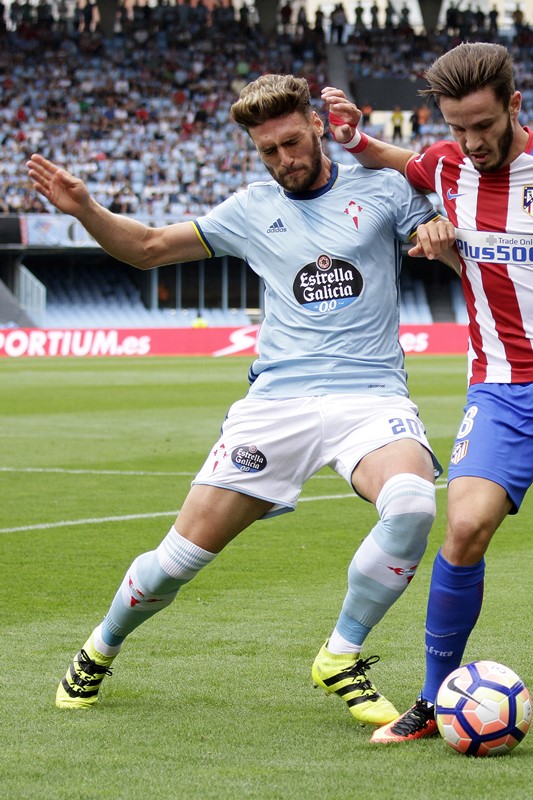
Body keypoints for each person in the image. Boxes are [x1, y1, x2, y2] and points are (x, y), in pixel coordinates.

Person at [27, 74, 455, 724]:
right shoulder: (250, 209)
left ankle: (340, 654)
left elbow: (446, 242)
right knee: (178, 561)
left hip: (370, 397)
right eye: (268, 151)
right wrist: (85, 208)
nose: (284, 159)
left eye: (291, 142)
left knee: (412, 505)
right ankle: (100, 647)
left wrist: (439, 234)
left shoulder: (384, 188)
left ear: (316, 126)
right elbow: (146, 249)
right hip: (276, 404)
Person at [322, 41, 533, 742]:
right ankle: (434, 699)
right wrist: (354, 138)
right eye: (456, 127)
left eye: (483, 125)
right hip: (502, 388)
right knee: (464, 529)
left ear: (513, 105)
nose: (470, 142)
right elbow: (396, 161)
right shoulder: (444, 166)